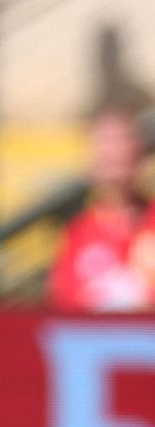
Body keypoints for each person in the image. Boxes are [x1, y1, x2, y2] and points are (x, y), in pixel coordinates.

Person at [50, 106, 154, 313]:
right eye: (106, 142)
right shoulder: (77, 234)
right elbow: (66, 303)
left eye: (123, 140)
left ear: (139, 152)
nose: (117, 152)